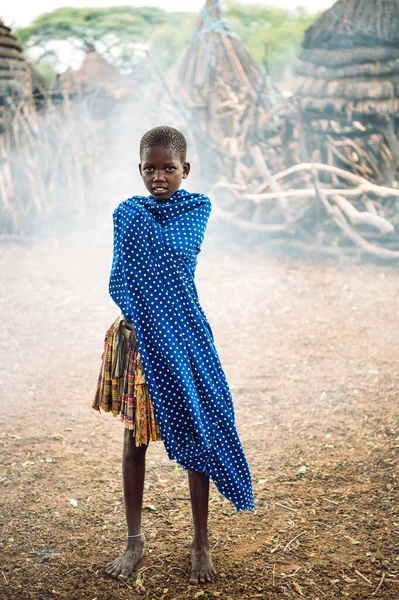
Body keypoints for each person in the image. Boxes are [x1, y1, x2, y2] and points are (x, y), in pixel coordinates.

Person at [93, 125, 255, 585]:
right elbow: (124, 275)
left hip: (182, 337)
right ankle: (134, 539)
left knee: (199, 432)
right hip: (140, 340)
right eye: (150, 168)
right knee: (135, 439)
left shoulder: (196, 208)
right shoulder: (127, 213)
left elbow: (171, 253)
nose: (159, 177)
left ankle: (200, 541)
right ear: (139, 170)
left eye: (168, 168)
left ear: (186, 169)